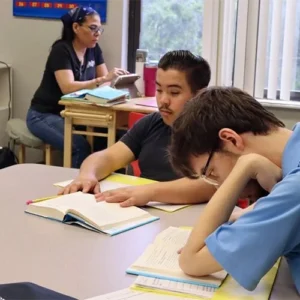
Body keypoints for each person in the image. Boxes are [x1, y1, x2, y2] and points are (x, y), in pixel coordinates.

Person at [169, 86, 300, 293]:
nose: (221, 186)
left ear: (231, 139)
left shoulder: (294, 190)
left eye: (211, 173)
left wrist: (246, 165)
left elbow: (191, 261)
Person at [59, 50, 220, 207]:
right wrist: (87, 175)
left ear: (199, 94)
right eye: (159, 90)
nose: (163, 100)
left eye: (174, 92)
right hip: (142, 211)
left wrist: (149, 192)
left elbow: (210, 184)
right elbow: (109, 157)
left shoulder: (215, 131)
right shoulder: (152, 123)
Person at [26, 6, 128, 168]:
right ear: (76, 28)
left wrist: (117, 84)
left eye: (100, 29)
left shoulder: (94, 50)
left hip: (75, 113)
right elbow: (68, 87)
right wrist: (102, 79)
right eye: (93, 28)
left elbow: (105, 83)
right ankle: (76, 189)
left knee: (114, 139)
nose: (97, 34)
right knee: (79, 147)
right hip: (44, 114)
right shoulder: (61, 50)